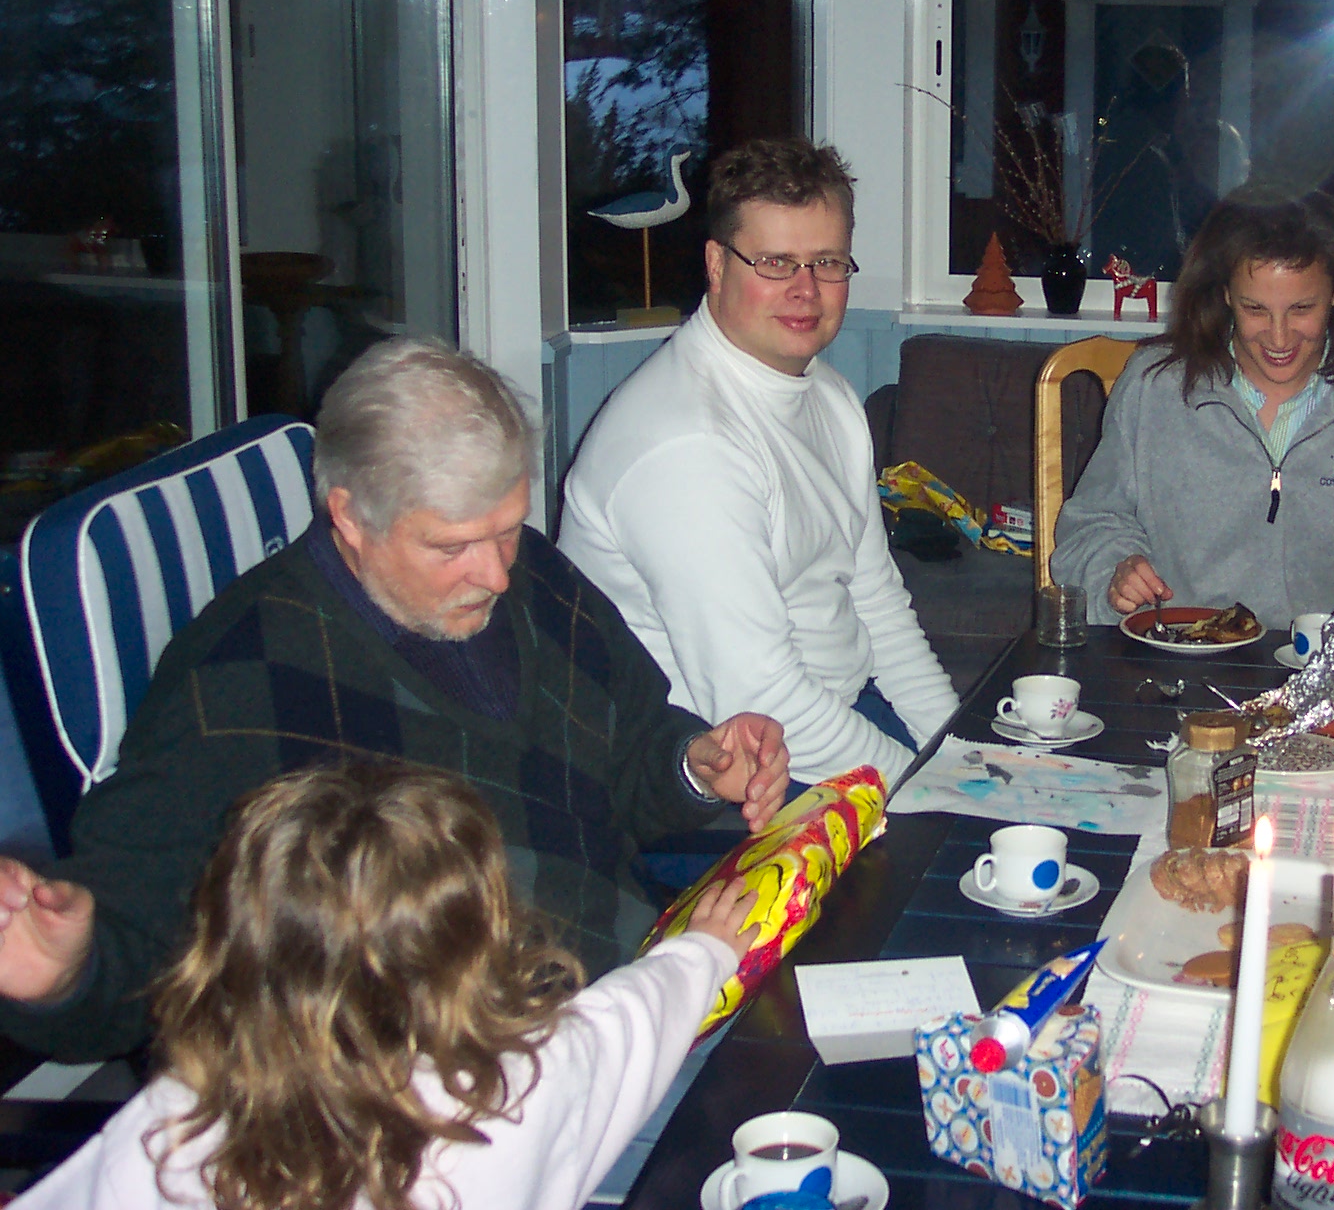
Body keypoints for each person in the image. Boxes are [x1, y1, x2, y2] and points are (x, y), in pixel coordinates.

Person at [0, 337, 788, 1063]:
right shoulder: (242, 682)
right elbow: (152, 947)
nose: (496, 574)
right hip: (462, 1090)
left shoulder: (537, 582)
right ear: (349, 516)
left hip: (642, 998)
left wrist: (695, 763)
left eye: (507, 529)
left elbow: (629, 751)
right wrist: (65, 975)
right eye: (451, 547)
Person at [15, 761, 758, 1210]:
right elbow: (629, 1022)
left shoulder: (173, 1123)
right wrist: (705, 952)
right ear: (479, 938)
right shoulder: (522, 1080)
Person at [560, 138, 957, 790]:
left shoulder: (826, 394)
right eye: (775, 262)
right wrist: (932, 793)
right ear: (717, 265)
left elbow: (877, 603)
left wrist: (958, 750)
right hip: (727, 775)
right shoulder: (687, 445)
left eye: (827, 262)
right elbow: (763, 704)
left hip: (837, 714)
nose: (805, 290)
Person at [1050, 187, 1334, 636]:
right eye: (1255, 308)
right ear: (1225, 296)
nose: (1278, 338)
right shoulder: (1154, 386)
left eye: (1301, 309)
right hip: (1184, 661)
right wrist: (1117, 571)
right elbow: (1091, 525)